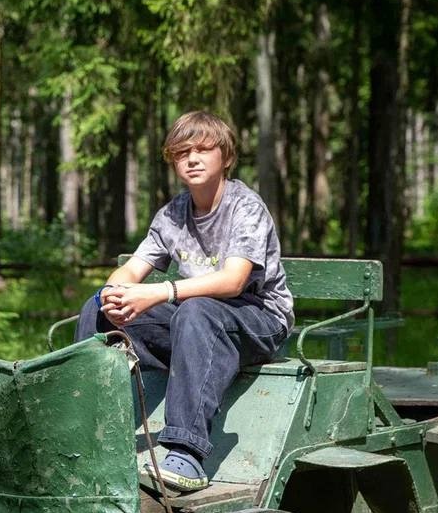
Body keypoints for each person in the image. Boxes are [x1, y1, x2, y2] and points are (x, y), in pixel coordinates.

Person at [75, 111, 294, 492]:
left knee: (196, 311)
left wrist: (160, 292)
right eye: (182, 152)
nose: (192, 159)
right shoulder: (172, 214)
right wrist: (112, 294)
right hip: (197, 321)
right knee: (97, 310)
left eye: (203, 149)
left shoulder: (245, 207)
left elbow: (233, 281)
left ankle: (186, 453)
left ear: (226, 157)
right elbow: (132, 270)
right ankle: (86, 431)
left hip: (260, 320)